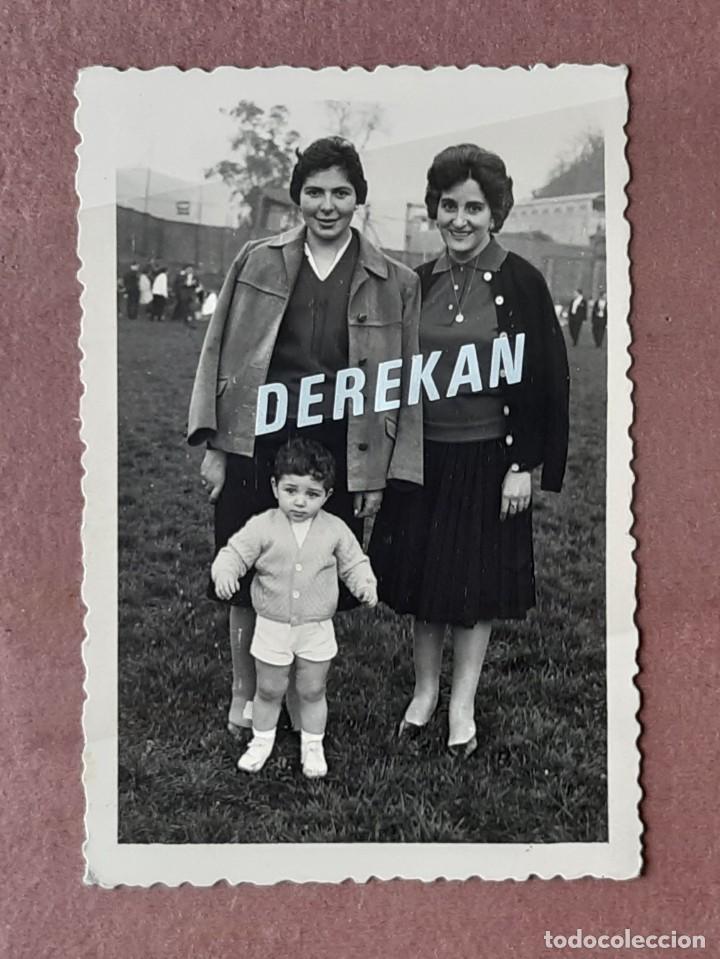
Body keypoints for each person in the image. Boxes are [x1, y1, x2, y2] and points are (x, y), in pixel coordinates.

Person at [188, 136, 422, 737]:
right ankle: (245, 691)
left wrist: (380, 474)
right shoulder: (256, 259)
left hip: (341, 446)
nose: (327, 205)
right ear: (297, 198)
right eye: (314, 192)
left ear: (358, 199)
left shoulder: (394, 280)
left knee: (313, 576)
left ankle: (298, 692)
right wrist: (215, 445)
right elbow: (219, 351)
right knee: (248, 570)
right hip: (257, 440)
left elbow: (404, 386)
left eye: (341, 193)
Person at [370, 144, 570, 756]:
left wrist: (523, 465)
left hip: (488, 459)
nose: (460, 220)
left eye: (474, 208)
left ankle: (463, 704)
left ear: (494, 213)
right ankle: (424, 693)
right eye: (449, 206)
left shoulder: (522, 280)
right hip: (423, 458)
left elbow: (547, 379)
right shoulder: (417, 281)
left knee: (474, 587)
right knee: (425, 582)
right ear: (435, 208)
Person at [212, 439, 377, 777]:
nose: (300, 501)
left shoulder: (334, 529)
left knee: (313, 689)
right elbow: (234, 553)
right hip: (272, 625)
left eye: (312, 494)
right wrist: (225, 572)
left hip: (315, 628)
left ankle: (313, 745)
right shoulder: (263, 525)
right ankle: (261, 740)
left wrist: (365, 583)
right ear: (275, 487)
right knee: (269, 688)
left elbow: (353, 561)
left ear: (327, 496)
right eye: (291, 491)